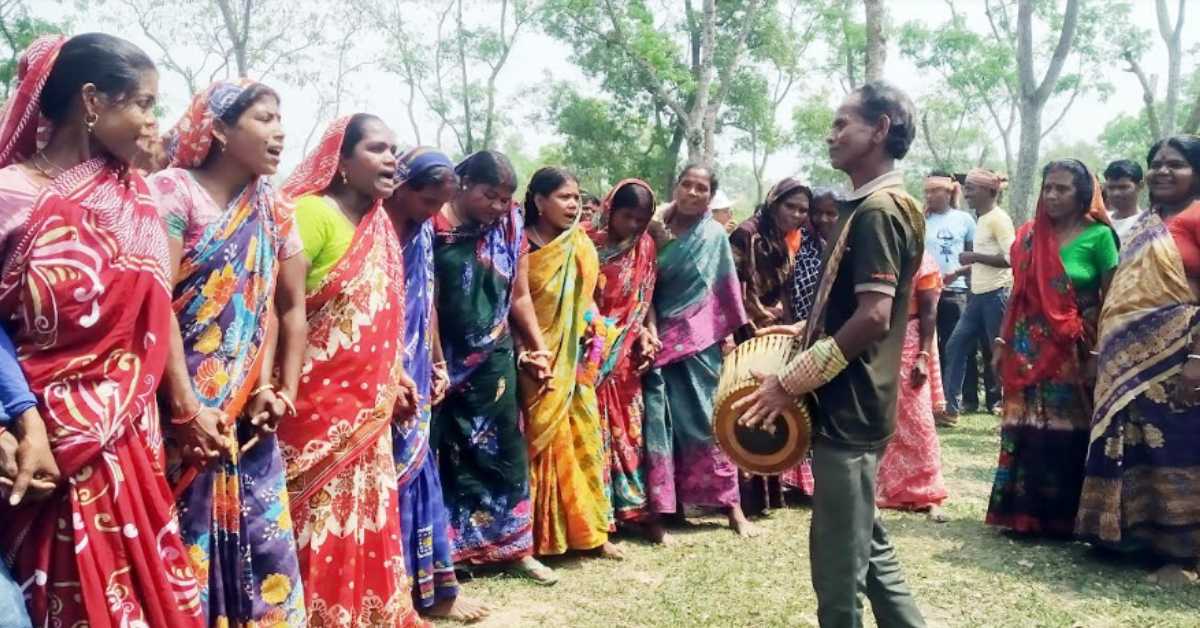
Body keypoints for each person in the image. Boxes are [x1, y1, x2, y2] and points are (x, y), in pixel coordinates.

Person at [0, 33, 205, 626]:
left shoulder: (137, 198)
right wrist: (19, 421)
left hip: (126, 436)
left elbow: (154, 309)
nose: (151, 119)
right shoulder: (12, 195)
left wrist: (186, 409)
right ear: (92, 101)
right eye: (142, 102)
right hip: (37, 439)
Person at [735, 80, 927, 628]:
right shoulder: (871, 205)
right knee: (868, 548)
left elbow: (873, 317)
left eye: (843, 123)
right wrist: (803, 327)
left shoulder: (880, 212)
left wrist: (789, 382)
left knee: (838, 570)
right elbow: (852, 308)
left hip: (852, 405)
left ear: (881, 129)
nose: (831, 134)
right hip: (855, 401)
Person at [152, 79, 308, 626]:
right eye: (264, 118)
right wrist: (187, 407)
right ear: (217, 129)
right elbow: (158, 301)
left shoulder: (275, 207)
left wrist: (272, 387)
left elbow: (278, 306)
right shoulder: (172, 193)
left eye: (280, 118)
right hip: (180, 413)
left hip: (247, 414)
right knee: (183, 541)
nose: (280, 131)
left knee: (265, 548)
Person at [275, 114, 424, 626]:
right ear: (340, 162)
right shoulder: (311, 213)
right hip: (310, 407)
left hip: (368, 408)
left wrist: (396, 371)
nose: (391, 159)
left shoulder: (382, 225)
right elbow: (278, 310)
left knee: (365, 513)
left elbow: (383, 312)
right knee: (311, 520)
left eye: (394, 149)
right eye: (377, 149)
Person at [1076, 135, 1200, 584]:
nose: (1163, 171)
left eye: (1177, 164)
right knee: (1130, 442)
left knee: (1176, 448)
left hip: (1177, 355)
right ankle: (1128, 537)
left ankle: (1180, 556)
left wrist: (1197, 359)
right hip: (1124, 360)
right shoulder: (1147, 221)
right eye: (1157, 163)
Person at [431, 150, 558, 584]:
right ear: (462, 182)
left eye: (506, 198)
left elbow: (519, 295)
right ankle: (454, 551)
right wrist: (431, 360)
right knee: (446, 451)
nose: (498, 206)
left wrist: (537, 348)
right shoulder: (433, 224)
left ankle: (514, 548)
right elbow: (422, 298)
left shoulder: (511, 224)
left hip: (494, 353)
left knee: (505, 446)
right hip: (442, 356)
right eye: (490, 195)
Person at [384, 146, 491, 621]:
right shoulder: (374, 229)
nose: (433, 213)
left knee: (419, 472)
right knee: (387, 480)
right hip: (374, 373)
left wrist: (439, 360)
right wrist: (391, 370)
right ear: (403, 187)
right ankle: (393, 592)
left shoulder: (423, 231)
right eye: (428, 201)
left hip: (419, 366)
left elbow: (424, 301)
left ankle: (433, 591)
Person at [988, 159, 1118, 538]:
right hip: (1026, 345)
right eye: (1048, 188)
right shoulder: (1028, 235)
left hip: (1074, 349)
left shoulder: (1099, 237)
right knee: (1024, 424)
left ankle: (1060, 518)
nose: (1053, 195)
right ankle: (1020, 514)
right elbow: (1017, 296)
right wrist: (1001, 341)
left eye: (1062, 189)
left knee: (1066, 429)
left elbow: (1111, 300)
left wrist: (1097, 354)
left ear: (1082, 194)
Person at [642, 163, 756, 536]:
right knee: (659, 425)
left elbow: (727, 290)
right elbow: (644, 288)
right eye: (687, 185)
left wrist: (742, 337)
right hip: (655, 341)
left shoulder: (714, 236)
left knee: (709, 424)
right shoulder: (652, 230)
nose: (692, 193)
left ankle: (732, 508)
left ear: (711, 196)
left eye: (702, 188)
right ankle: (662, 512)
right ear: (675, 186)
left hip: (700, 342)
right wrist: (650, 330)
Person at [520, 166, 620, 560]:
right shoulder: (523, 245)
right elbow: (514, 304)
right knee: (539, 444)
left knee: (584, 442)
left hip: (576, 360)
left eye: (577, 197)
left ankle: (591, 533)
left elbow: (587, 300)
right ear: (540, 201)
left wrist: (598, 334)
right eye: (564, 197)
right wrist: (529, 351)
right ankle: (536, 538)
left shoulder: (579, 244)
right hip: (536, 360)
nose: (574, 204)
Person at [589, 179, 672, 542]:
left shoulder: (646, 247)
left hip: (628, 359)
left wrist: (648, 332)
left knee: (630, 431)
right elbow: (579, 297)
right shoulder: (587, 244)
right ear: (610, 210)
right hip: (592, 348)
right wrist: (603, 334)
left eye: (642, 218)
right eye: (627, 216)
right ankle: (598, 514)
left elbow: (645, 297)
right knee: (595, 431)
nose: (634, 225)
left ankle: (635, 509)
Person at [729, 178, 809, 514]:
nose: (796, 214)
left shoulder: (789, 238)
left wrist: (787, 327)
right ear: (774, 202)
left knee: (772, 405)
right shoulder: (746, 233)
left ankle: (769, 494)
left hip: (777, 330)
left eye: (803, 210)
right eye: (790, 206)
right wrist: (756, 318)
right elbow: (732, 284)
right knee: (746, 401)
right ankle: (744, 497)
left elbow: (786, 288)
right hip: (746, 329)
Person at [779, 187, 841, 497]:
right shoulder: (800, 244)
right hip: (799, 334)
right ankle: (798, 480)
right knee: (800, 404)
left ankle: (824, 479)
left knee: (828, 405)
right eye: (817, 212)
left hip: (834, 339)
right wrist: (792, 326)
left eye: (831, 213)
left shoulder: (849, 246)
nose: (822, 219)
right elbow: (786, 287)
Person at [876, 253, 949, 520]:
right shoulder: (880, 257)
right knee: (883, 412)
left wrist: (923, 356)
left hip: (911, 338)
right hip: (878, 339)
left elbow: (929, 312)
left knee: (918, 420)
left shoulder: (924, 262)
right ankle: (887, 489)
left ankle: (928, 494)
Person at [942, 168, 1014, 424]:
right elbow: (986, 260)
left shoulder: (998, 219)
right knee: (955, 345)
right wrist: (960, 270)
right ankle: (951, 409)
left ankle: (1010, 407)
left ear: (988, 191)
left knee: (1000, 353)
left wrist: (973, 257)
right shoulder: (982, 219)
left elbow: (1011, 258)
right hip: (977, 296)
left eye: (971, 188)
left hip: (997, 295)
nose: (967, 193)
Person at [923, 171, 993, 422]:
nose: (929, 196)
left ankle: (963, 400)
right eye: (927, 191)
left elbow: (974, 257)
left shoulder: (964, 220)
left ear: (949, 193)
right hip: (926, 292)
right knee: (927, 347)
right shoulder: (921, 219)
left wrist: (961, 276)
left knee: (956, 346)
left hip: (958, 291)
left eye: (934, 191)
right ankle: (934, 401)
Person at [1103, 158, 1144, 243]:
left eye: (1123, 187)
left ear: (1140, 186)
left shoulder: (1147, 224)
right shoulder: (1102, 220)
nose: (1116, 193)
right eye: (1111, 188)